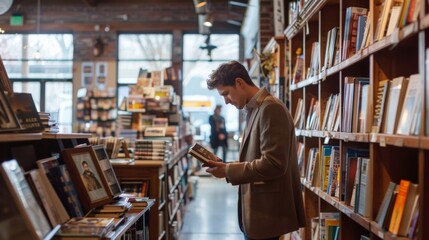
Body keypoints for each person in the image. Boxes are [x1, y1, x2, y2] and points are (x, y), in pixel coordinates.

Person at [204, 60, 306, 240]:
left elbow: (274, 164)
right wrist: (227, 166)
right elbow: (255, 157)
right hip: (257, 212)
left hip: (268, 213)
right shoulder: (254, 109)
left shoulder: (270, 108)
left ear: (239, 83)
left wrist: (228, 170)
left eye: (226, 94)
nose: (226, 101)